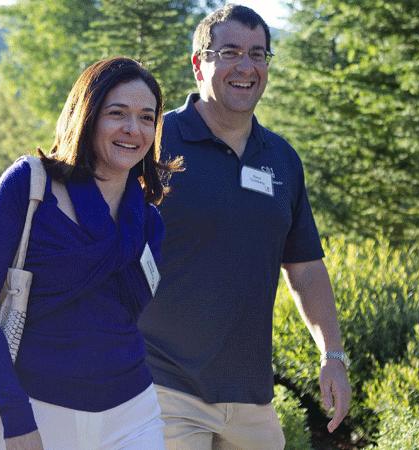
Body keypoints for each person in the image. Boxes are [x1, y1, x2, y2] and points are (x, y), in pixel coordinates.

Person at [138, 4, 351, 449]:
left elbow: (306, 268)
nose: (246, 67)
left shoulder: (282, 159)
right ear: (199, 63)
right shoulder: (154, 140)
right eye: (230, 52)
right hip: (162, 383)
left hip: (251, 397)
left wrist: (332, 356)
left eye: (258, 54)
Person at [0, 57, 182, 450]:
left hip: (133, 414)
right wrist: (15, 414)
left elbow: (125, 318)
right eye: (118, 113)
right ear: (89, 115)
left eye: (147, 118)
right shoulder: (29, 185)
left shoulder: (148, 222)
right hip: (36, 412)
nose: (133, 129)